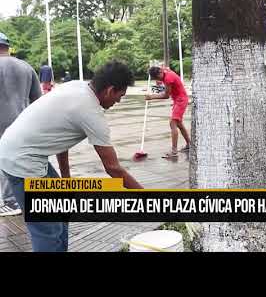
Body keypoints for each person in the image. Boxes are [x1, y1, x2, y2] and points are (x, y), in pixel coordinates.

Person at [0, 60, 144, 252]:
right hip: (22, 162)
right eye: (120, 96)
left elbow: (60, 137)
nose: (118, 101)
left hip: (20, 151)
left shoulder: (76, 86)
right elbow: (113, 168)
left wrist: (65, 180)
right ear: (110, 90)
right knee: (47, 229)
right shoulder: (91, 113)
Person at [0, 32, 42, 217]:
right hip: (23, 121)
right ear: (8, 47)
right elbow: (38, 100)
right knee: (17, 159)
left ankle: (10, 201)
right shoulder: (25, 66)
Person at [146, 66, 190, 159]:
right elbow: (165, 67)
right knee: (179, 124)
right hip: (178, 100)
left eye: (158, 78)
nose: (159, 80)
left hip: (181, 100)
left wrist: (152, 97)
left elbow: (166, 95)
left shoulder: (168, 79)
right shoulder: (165, 71)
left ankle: (174, 151)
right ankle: (189, 144)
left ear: (160, 73)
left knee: (173, 122)